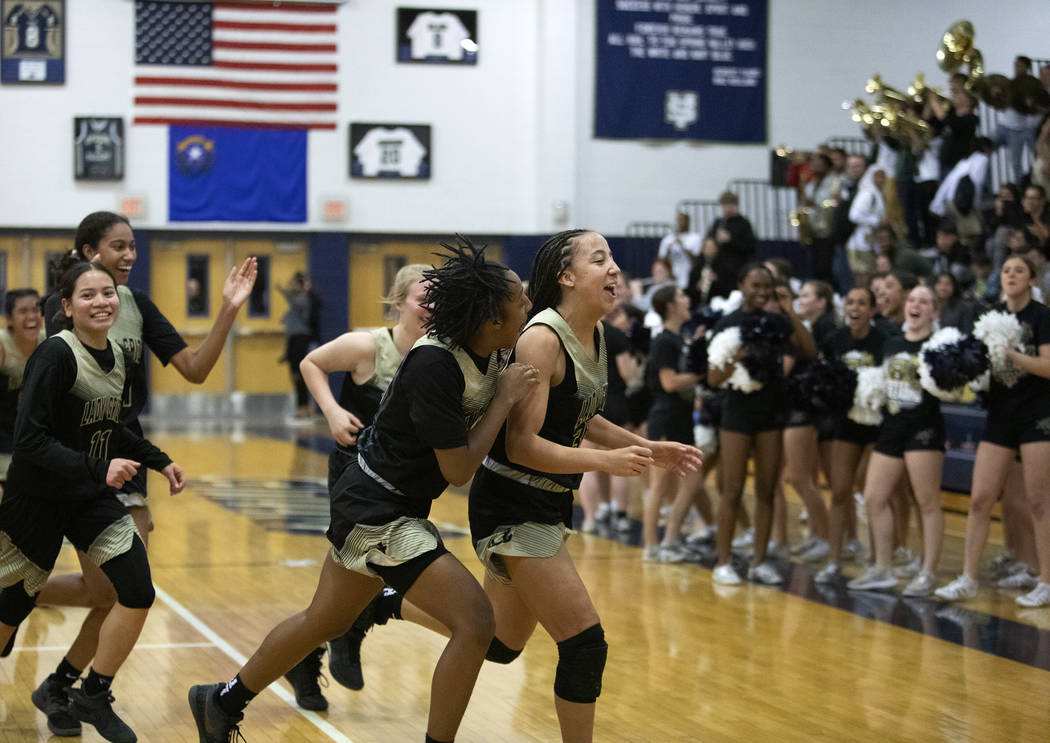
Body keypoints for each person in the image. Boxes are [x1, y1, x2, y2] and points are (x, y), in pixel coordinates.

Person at [189, 238, 540, 743]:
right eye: (519, 300)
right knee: (476, 622)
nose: (527, 305)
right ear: (491, 317)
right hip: (378, 508)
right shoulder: (434, 364)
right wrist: (505, 398)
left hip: (382, 499)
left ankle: (221, 700)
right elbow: (460, 469)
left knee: (322, 621)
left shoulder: (490, 349)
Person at [29, 211, 256, 736]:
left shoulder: (139, 305)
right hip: (79, 462)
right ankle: (29, 613)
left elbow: (196, 369)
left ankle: (70, 688)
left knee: (121, 591)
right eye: (117, 246)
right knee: (103, 591)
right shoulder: (66, 308)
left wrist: (227, 309)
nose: (129, 255)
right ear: (89, 254)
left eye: (132, 246)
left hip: (127, 459)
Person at [0, 261, 185, 742]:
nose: (101, 301)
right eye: (87, 295)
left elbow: (109, 427)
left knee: (137, 589)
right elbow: (29, 442)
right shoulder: (54, 356)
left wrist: (157, 459)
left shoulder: (119, 356)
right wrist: (97, 467)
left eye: (108, 293)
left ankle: (92, 694)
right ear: (66, 307)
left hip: (88, 498)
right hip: (35, 500)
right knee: (6, 617)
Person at [285, 263, 430, 706]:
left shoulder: (440, 354)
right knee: (357, 575)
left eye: (440, 301)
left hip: (408, 482)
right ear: (399, 301)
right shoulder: (369, 345)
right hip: (357, 476)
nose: (432, 308)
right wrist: (330, 410)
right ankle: (335, 639)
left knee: (353, 582)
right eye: (424, 299)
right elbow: (311, 363)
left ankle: (317, 649)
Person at [936, 255, 1050, 607]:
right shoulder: (988, 316)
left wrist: (1012, 355)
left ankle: (1046, 580)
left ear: (1032, 280)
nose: (1011, 275)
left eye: (1019, 270)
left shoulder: (1042, 316)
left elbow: (1048, 366)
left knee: (1039, 501)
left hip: (1037, 415)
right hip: (999, 416)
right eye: (1006, 270)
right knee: (982, 498)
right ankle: (969, 577)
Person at [708, 263, 815, 585]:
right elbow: (712, 378)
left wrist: (789, 309)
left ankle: (759, 561)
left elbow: (809, 351)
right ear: (741, 285)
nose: (761, 292)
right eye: (755, 286)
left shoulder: (778, 322)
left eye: (766, 287)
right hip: (736, 414)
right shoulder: (728, 323)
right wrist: (735, 358)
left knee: (768, 489)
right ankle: (724, 562)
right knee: (733, 489)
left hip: (772, 412)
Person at [847, 285, 945, 596]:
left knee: (927, 501)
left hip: (923, 427)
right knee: (874, 498)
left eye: (924, 301)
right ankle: (883, 570)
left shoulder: (939, 345)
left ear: (933, 311)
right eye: (913, 299)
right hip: (892, 426)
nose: (916, 305)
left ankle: (928, 572)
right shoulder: (892, 343)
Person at [814, 287, 887, 583]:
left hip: (876, 427)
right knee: (840, 491)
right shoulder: (835, 341)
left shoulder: (884, 341)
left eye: (862, 303)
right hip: (845, 425)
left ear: (871, 310)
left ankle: (876, 560)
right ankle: (834, 560)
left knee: (871, 494)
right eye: (850, 302)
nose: (855, 308)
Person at [642, 284, 702, 562]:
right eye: (681, 296)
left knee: (692, 481)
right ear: (670, 306)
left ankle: (670, 539)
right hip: (666, 418)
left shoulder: (679, 339)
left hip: (680, 417)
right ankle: (652, 546)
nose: (687, 300)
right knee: (660, 485)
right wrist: (702, 375)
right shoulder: (664, 341)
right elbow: (669, 383)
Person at [0, 289, 44, 494]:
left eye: (36, 310)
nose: (31, 317)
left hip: (35, 434)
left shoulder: (49, 342)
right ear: (9, 318)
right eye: (23, 311)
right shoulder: (2, 345)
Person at [279, 272, 320, 423]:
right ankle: (301, 407)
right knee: (295, 375)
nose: (291, 285)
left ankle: (304, 408)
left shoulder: (304, 299)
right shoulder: (297, 301)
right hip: (294, 340)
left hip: (301, 340)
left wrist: (288, 288)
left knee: (300, 375)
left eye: (294, 282)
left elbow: (289, 295)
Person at [657, 212, 701, 291]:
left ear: (688, 222)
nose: (680, 223)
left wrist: (683, 246)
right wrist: (668, 251)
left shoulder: (695, 238)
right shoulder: (668, 239)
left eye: (683, 220)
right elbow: (661, 260)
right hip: (672, 277)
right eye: (679, 220)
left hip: (688, 277)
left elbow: (697, 259)